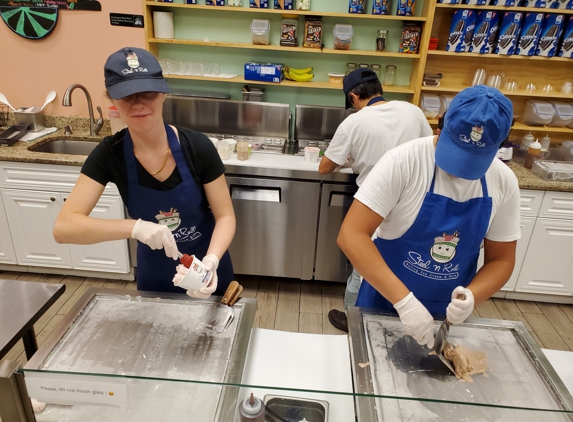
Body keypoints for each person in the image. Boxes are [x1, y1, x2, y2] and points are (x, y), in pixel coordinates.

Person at [338, 85, 520, 348]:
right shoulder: (403, 162)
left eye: (473, 160)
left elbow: (502, 259)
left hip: (447, 313)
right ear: (439, 126)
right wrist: (405, 302)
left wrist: (471, 297)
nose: (460, 170)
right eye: (457, 153)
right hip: (384, 301)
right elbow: (351, 235)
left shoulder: (503, 181)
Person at [53, 47, 235, 298]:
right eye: (126, 95)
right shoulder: (109, 154)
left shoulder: (198, 147)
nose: (138, 103)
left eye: (147, 92)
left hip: (208, 272)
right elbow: (64, 228)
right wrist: (135, 228)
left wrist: (211, 262)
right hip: (157, 279)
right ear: (112, 100)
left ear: (162, 94)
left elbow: (225, 215)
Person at [318, 68, 433, 332]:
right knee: (406, 259)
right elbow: (431, 146)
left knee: (365, 262)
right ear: (379, 89)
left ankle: (351, 318)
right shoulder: (412, 111)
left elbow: (325, 167)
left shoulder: (353, 123)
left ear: (355, 96)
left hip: (377, 204)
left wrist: (349, 159)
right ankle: (399, 312)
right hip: (417, 201)